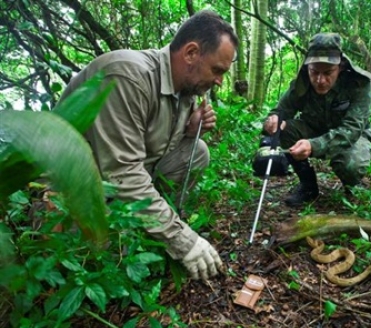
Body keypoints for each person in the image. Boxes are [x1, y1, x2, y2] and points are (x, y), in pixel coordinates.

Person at [58, 10, 239, 280]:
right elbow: (123, 172)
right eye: (217, 70)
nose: (220, 81)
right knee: (109, 252)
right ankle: (152, 231)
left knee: (196, 152)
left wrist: (189, 131)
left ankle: (155, 225)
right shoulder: (128, 76)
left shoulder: (186, 88)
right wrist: (183, 241)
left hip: (113, 184)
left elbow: (153, 148)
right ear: (191, 53)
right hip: (72, 193)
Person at [263, 33, 371, 207]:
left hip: (351, 136)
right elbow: (282, 110)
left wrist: (313, 145)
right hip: (314, 128)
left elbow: (353, 129)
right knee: (285, 131)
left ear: (340, 66)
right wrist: (274, 120)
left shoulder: (359, 83)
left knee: (351, 166)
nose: (320, 80)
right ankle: (308, 186)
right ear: (308, 67)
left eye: (328, 73)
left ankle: (352, 187)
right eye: (314, 72)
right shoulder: (302, 82)